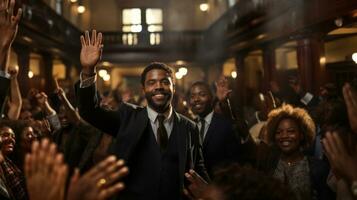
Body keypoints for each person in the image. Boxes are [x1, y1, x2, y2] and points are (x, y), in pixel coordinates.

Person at [75, 30, 209, 200]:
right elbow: (89, 111)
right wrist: (88, 71)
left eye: (165, 82)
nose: (158, 86)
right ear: (144, 89)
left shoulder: (190, 127)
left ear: (173, 87)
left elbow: (198, 169)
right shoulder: (127, 117)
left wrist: (211, 193)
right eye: (151, 82)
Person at [255, 104, 334, 200]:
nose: (284, 136)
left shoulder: (318, 168)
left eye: (291, 131)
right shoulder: (269, 164)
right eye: (278, 132)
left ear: (302, 135)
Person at [188, 81, 244, 176]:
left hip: (219, 186)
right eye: (192, 96)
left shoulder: (225, 125)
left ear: (212, 97)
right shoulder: (188, 126)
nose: (196, 99)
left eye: (202, 95)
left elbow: (236, 162)